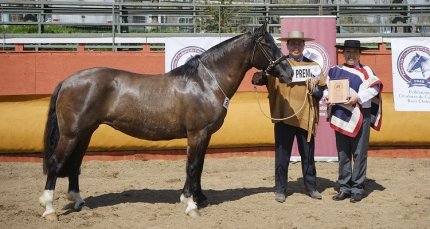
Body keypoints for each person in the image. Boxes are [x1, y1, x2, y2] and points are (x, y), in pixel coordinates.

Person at [252, 30, 326, 203]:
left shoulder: (313, 66)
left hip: (306, 116)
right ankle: (280, 189)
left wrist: (315, 88)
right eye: (292, 43)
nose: (295, 47)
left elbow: (321, 92)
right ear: (287, 45)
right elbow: (265, 78)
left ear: (303, 46)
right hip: (283, 116)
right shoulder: (278, 64)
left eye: (299, 44)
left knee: (308, 155)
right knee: (282, 155)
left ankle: (311, 187)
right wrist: (259, 78)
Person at [325, 40, 383, 203]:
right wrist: (327, 98)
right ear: (343, 53)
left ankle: (357, 187)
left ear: (359, 53)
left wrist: (358, 97)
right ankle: (344, 187)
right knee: (343, 153)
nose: (351, 55)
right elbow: (326, 90)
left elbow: (375, 88)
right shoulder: (335, 71)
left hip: (360, 114)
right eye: (348, 51)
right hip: (340, 114)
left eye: (354, 52)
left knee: (359, 152)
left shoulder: (366, 71)